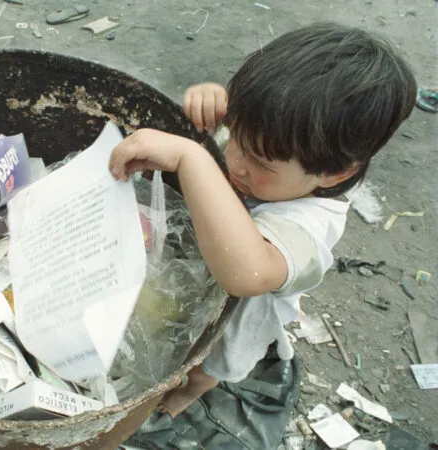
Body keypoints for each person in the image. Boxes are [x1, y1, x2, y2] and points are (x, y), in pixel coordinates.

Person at [109, 22, 416, 417]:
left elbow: (246, 276)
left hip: (240, 314)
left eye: (259, 161)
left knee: (209, 364)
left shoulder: (312, 223)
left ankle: (190, 393)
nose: (235, 160)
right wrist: (215, 102)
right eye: (235, 135)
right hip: (202, 271)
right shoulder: (275, 141)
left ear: (334, 175)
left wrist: (194, 157)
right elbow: (243, 135)